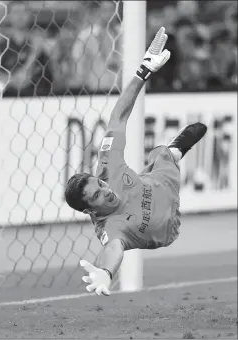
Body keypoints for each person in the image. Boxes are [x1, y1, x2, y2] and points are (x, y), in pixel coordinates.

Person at [63, 27, 208, 296]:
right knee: (160, 157)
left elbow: (118, 117)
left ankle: (174, 151)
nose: (106, 190)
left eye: (100, 185)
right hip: (167, 228)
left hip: (161, 182)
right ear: (89, 211)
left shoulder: (108, 167)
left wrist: (143, 72)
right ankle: (172, 153)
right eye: (97, 195)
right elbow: (113, 250)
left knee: (161, 154)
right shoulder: (109, 227)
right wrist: (105, 273)